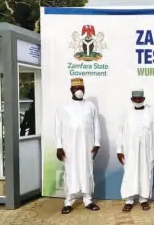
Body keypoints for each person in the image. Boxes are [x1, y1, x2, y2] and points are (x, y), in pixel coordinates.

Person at [55, 77, 101, 214]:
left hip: (87, 146)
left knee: (87, 172)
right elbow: (58, 128)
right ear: (71, 90)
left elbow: (96, 125)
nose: (79, 91)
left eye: (81, 88)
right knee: (70, 172)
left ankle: (88, 200)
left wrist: (97, 143)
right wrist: (58, 146)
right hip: (69, 147)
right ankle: (68, 202)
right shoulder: (63, 107)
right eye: (76, 88)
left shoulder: (91, 106)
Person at [116, 89, 154, 212]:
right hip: (130, 150)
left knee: (146, 174)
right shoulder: (126, 113)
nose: (137, 101)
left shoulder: (151, 113)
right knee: (129, 174)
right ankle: (129, 200)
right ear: (131, 100)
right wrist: (119, 150)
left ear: (144, 99)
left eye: (140, 99)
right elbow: (120, 132)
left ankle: (144, 199)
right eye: (135, 99)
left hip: (147, 151)